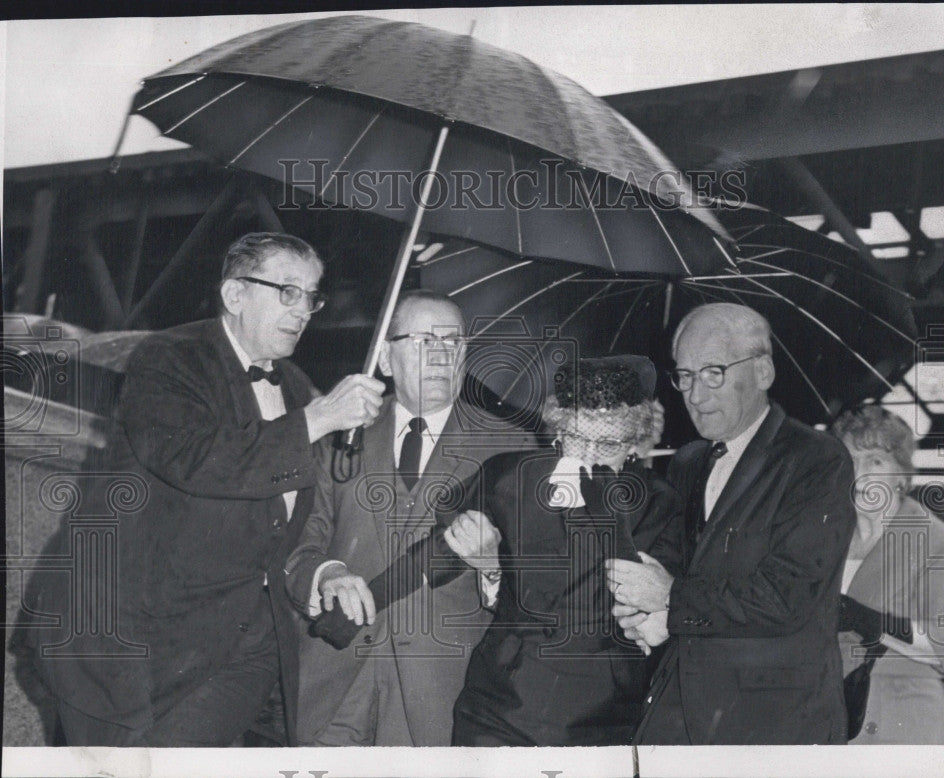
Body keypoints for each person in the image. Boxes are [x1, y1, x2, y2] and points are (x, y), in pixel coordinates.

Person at [31, 232, 385, 746]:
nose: (304, 309)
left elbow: (285, 518)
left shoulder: (296, 387)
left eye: (311, 296)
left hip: (238, 645)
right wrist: (319, 418)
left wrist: (324, 572)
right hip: (127, 639)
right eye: (287, 290)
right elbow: (197, 460)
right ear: (235, 295)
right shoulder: (170, 358)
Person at [283, 289, 537, 746]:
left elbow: (538, 587)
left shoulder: (512, 447)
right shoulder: (339, 437)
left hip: (443, 694)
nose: (441, 355)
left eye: (454, 342)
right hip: (332, 683)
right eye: (424, 341)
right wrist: (328, 575)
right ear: (385, 357)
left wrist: (492, 569)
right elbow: (299, 545)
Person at [608, 302, 856, 744]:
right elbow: (683, 568)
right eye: (684, 376)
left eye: (713, 372)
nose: (695, 396)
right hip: (682, 708)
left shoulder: (816, 459)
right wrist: (653, 615)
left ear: (763, 372)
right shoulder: (687, 462)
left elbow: (786, 597)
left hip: (772, 721)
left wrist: (670, 597)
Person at [448, 355, 673, 746]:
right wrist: (490, 566)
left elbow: (659, 620)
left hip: (597, 719)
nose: (589, 456)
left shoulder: (660, 504)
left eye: (607, 444)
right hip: (497, 710)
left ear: (633, 443)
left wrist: (658, 613)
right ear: (558, 431)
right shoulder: (513, 480)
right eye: (577, 438)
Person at [832, 405, 944, 744]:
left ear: (901, 475)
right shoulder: (828, 537)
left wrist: (869, 621)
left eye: (875, 462)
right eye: (851, 461)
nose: (860, 474)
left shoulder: (936, 541)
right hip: (834, 714)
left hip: (902, 717)